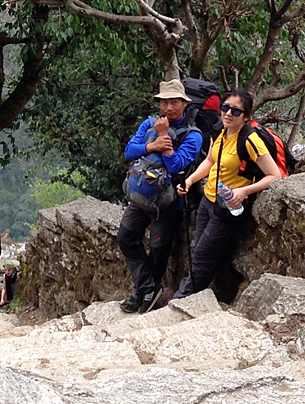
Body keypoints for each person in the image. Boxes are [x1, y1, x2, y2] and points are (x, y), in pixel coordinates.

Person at [173, 88, 281, 299]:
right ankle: (196, 298)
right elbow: (211, 160)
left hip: (227, 208)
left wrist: (244, 191)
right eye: (225, 108)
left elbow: (274, 175)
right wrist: (190, 180)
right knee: (198, 253)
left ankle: (181, 301)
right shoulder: (220, 132)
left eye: (236, 111)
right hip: (208, 200)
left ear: (247, 116)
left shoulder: (250, 140)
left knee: (202, 258)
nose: (228, 113)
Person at [116, 78, 204, 313]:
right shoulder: (149, 123)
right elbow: (129, 151)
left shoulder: (193, 135)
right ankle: (147, 288)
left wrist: (166, 142)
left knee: (158, 250)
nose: (169, 107)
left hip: (169, 202)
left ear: (185, 104)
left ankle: (142, 295)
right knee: (125, 237)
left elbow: (177, 166)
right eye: (164, 102)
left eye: (175, 102)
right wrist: (152, 146)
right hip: (140, 195)